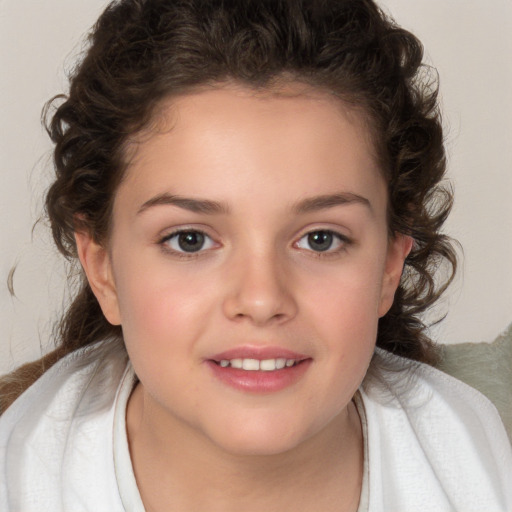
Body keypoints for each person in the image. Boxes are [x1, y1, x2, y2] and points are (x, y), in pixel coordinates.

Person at [0, 0, 510, 510]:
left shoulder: (487, 459)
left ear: (388, 266)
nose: (262, 299)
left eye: (320, 239)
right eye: (190, 239)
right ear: (103, 269)